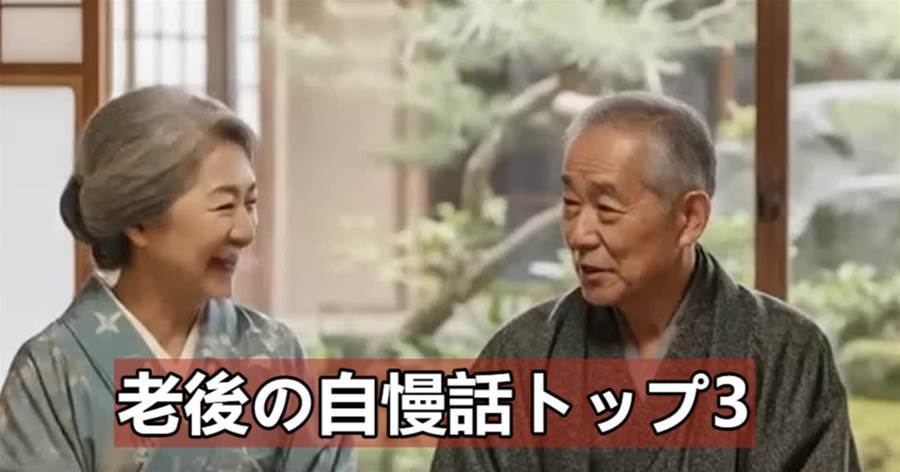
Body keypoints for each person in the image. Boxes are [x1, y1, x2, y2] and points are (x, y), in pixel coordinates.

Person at [431, 92, 860, 471]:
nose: (579, 234)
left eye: (607, 208)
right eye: (571, 203)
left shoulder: (787, 353)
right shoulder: (520, 357)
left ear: (689, 218)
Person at [0, 86, 353, 471]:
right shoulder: (52, 370)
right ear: (139, 222)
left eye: (250, 203)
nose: (245, 231)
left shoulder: (274, 353)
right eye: (224, 206)